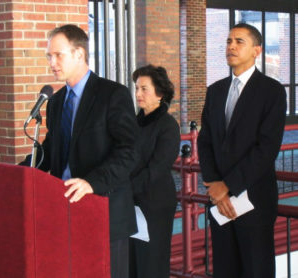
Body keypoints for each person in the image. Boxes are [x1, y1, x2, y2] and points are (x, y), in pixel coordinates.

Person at [20, 24, 137, 278]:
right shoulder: (57, 101)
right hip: (64, 210)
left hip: (104, 210)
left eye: (58, 55)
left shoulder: (112, 94)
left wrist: (91, 183)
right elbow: (50, 151)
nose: (52, 62)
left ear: (79, 54)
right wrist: (18, 173)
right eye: (48, 56)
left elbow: (129, 151)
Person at [198, 23, 286, 278]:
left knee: (256, 270)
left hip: (254, 201)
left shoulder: (272, 91)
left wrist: (228, 186)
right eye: (228, 41)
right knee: (225, 270)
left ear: (257, 50)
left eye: (239, 41)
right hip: (220, 204)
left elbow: (267, 148)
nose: (231, 46)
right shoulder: (215, 91)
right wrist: (215, 185)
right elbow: (205, 142)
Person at [129, 65, 180, 278]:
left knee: (152, 265)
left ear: (160, 93)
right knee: (131, 264)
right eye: (136, 88)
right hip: (130, 203)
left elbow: (157, 168)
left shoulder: (168, 125)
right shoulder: (131, 122)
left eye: (144, 89)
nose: (138, 94)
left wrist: (125, 189)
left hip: (154, 203)